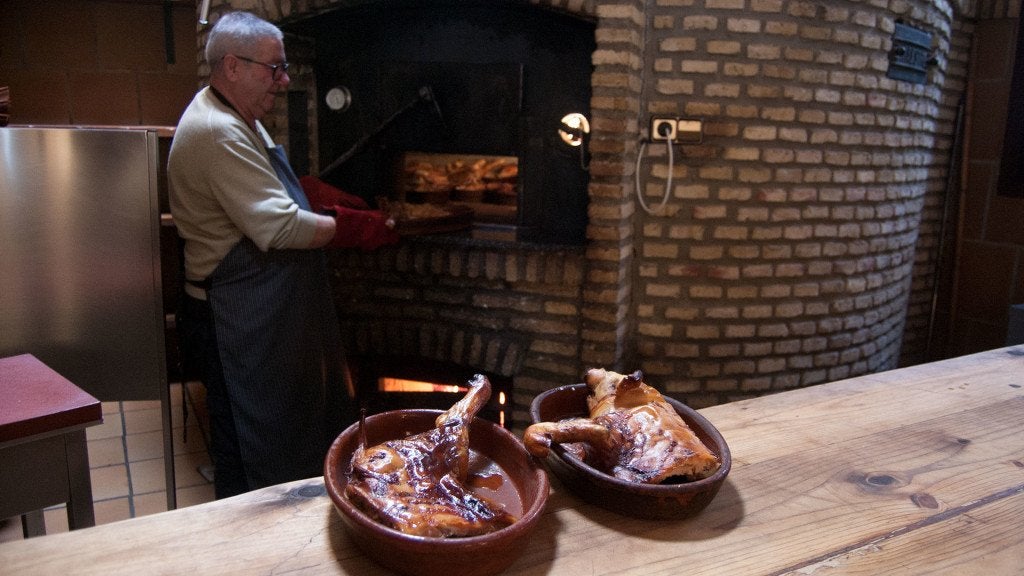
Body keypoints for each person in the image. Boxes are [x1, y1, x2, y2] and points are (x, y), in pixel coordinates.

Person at [168, 11, 397, 498]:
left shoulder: (239, 117)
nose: (285, 80)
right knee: (247, 442)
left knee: (276, 429)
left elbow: (276, 191)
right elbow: (279, 225)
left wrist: (330, 199)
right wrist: (358, 228)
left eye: (284, 68)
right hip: (234, 315)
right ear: (233, 66)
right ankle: (244, 530)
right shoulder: (219, 130)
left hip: (261, 311)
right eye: (274, 68)